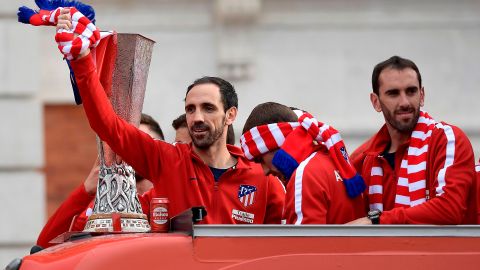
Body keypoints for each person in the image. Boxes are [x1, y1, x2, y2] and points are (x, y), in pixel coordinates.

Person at [52, 8, 285, 226]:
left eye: (208, 108)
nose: (197, 118)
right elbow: (108, 126)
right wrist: (82, 60)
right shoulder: (167, 160)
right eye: (190, 109)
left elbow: (279, 253)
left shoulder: (261, 179)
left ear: (230, 115)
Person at [349, 56, 477, 224]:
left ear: (421, 95)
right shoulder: (363, 158)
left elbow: (449, 209)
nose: (405, 102)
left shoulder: (447, 140)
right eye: (393, 93)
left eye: (411, 91)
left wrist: (376, 220)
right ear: (376, 102)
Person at [36, 113, 165, 248]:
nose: (130, 150)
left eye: (140, 142)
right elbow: (45, 245)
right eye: (125, 143)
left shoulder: (170, 199)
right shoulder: (101, 207)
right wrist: (85, 190)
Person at [240, 102, 365, 224]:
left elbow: (304, 243)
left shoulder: (304, 174)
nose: (264, 171)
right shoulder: (333, 159)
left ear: (278, 145)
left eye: (259, 159)